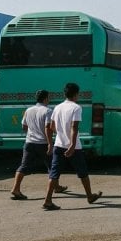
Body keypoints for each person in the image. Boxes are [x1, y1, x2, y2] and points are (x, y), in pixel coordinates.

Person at [42, 82, 102, 211]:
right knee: (82, 172)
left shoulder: (57, 107)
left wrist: (62, 133)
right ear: (76, 94)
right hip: (74, 147)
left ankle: (47, 200)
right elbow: (74, 128)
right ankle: (90, 196)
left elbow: (52, 127)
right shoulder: (76, 108)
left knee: (54, 174)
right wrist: (72, 145)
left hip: (59, 144)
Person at [10, 90, 67, 200]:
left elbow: (24, 126)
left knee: (24, 166)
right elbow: (48, 128)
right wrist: (50, 143)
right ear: (45, 98)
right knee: (52, 166)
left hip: (29, 143)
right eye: (48, 97)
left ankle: (15, 188)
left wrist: (32, 134)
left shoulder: (28, 110)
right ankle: (56, 187)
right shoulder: (48, 111)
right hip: (43, 144)